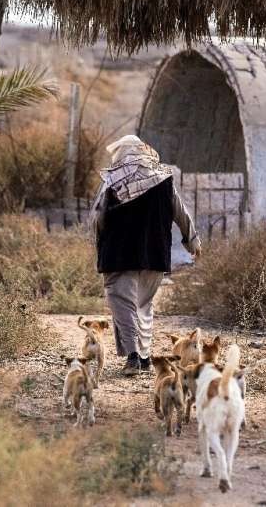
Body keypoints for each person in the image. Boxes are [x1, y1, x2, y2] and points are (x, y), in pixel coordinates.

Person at [90, 135, 201, 376]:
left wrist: (98, 243)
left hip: (118, 255)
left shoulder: (112, 181)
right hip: (154, 255)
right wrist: (192, 240)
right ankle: (144, 355)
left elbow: (97, 218)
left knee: (122, 305)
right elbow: (180, 212)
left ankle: (133, 357)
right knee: (143, 306)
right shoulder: (163, 180)